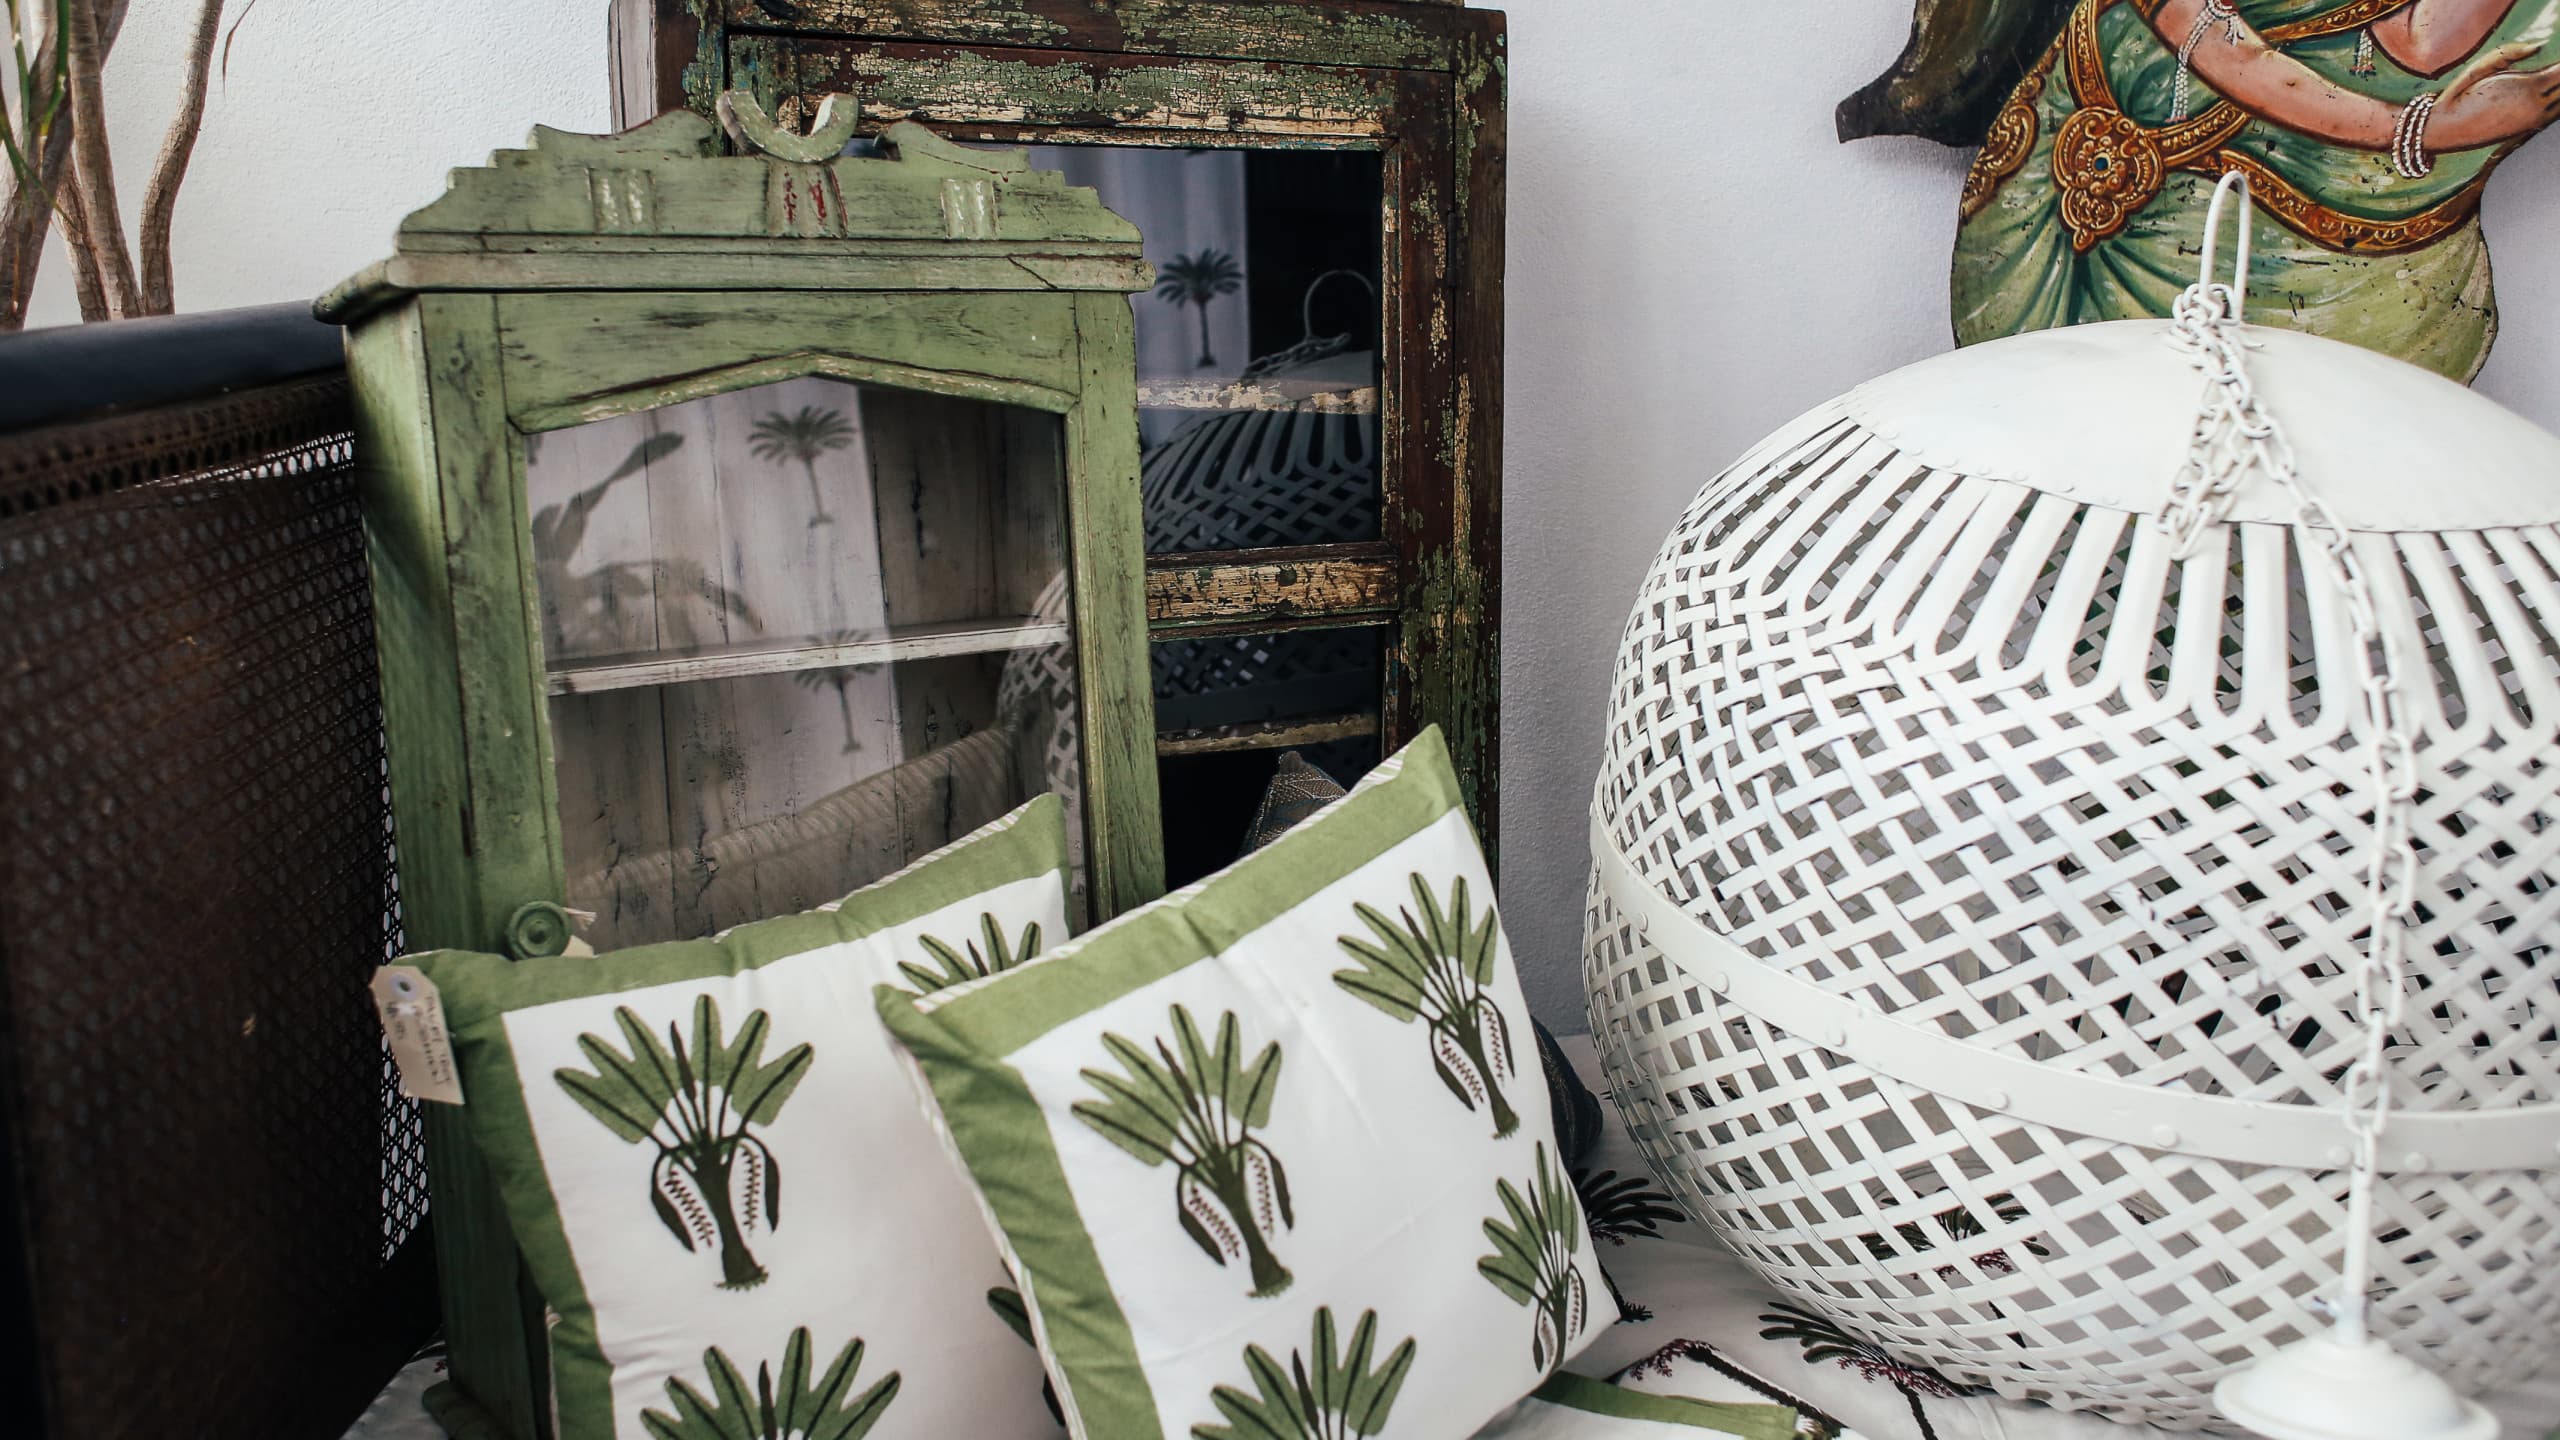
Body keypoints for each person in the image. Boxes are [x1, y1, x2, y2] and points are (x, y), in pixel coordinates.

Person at [1954, 0, 2560, 380]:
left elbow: (2422, 45)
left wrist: (2441, 123)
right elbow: (2199, 30)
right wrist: (2426, 128)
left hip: (2312, 242)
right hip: (2105, 192)